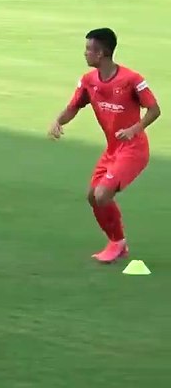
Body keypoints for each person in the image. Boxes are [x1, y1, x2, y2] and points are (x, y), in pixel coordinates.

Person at [50, 28, 160, 263]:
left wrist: (133, 129)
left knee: (102, 194)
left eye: (90, 49)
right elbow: (74, 107)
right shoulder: (89, 81)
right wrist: (58, 121)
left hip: (134, 149)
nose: (85, 53)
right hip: (112, 150)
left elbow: (154, 109)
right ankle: (116, 242)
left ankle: (118, 243)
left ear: (102, 53)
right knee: (93, 196)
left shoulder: (132, 80)